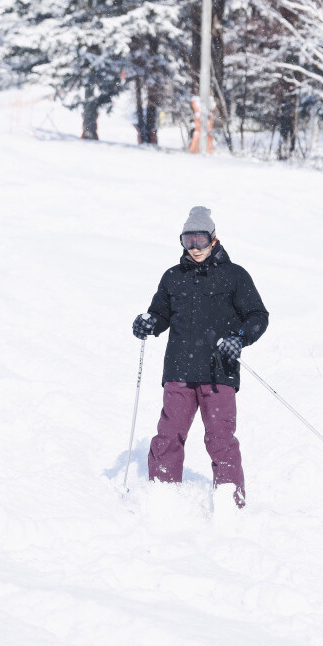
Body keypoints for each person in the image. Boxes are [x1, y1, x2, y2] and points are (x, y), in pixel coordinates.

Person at [132, 206, 268, 508]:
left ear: (214, 239)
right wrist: (148, 323)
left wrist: (240, 338)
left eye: (200, 240)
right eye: (188, 240)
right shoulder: (172, 277)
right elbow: (160, 314)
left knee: (220, 440)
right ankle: (162, 499)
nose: (194, 248)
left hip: (219, 372)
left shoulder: (234, 276)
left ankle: (231, 504)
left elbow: (258, 316)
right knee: (168, 436)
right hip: (180, 371)